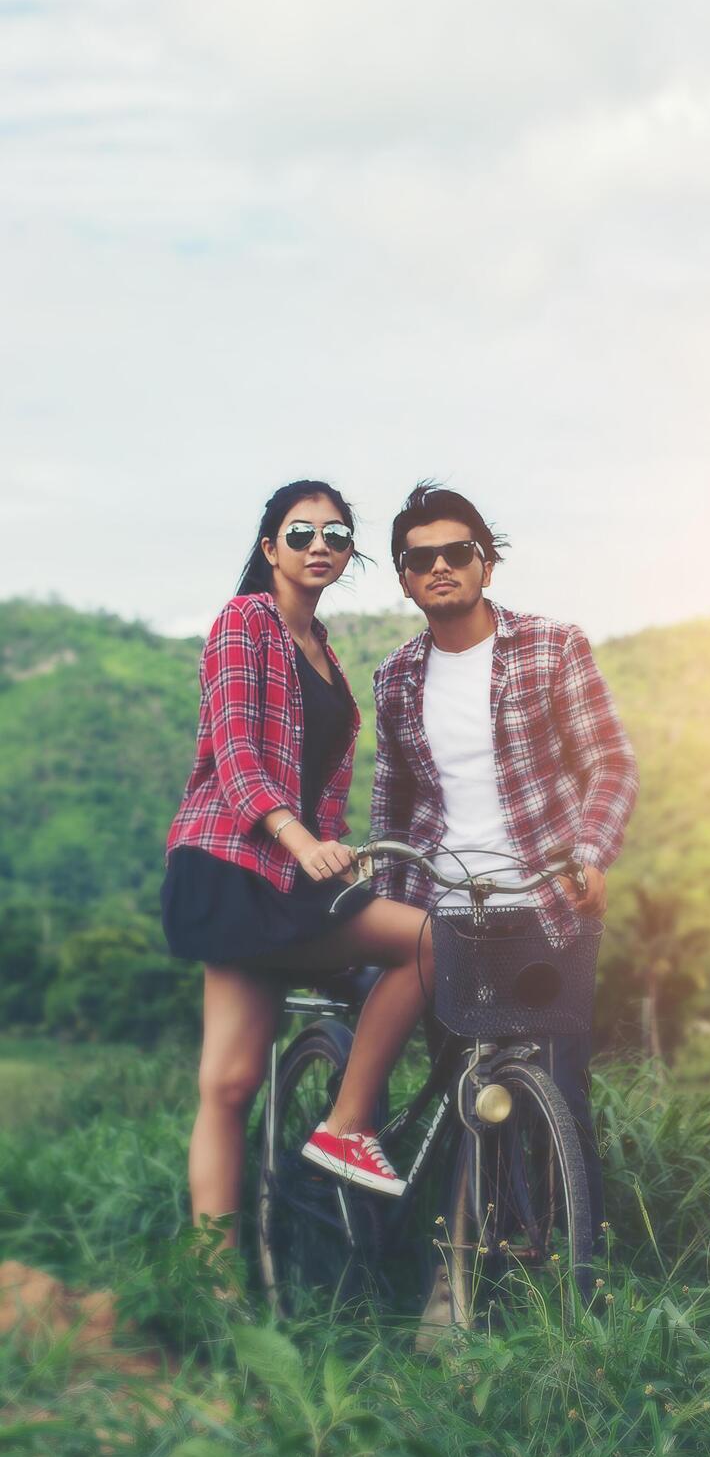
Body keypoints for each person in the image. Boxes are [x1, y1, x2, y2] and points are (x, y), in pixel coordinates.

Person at [307, 480, 638, 1226]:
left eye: (458, 552)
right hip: (442, 915)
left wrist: (591, 851)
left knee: (559, 1094)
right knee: (461, 1098)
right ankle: (450, 1281)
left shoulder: (553, 647)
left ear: (487, 564)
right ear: (403, 579)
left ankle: (567, 1284)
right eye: (420, 559)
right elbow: (394, 805)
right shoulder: (395, 677)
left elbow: (611, 763)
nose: (440, 567)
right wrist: (387, 912)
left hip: (547, 906)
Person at [162, 479, 439, 1253]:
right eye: (301, 532)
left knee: (232, 1080)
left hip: (291, 879)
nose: (320, 545)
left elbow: (325, 796)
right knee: (228, 1084)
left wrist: (334, 854)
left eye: (337, 535)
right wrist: (299, 839)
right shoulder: (243, 622)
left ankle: (343, 1131)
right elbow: (237, 756)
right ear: (269, 547)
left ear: (348, 555)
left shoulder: (325, 657)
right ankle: (215, 1289)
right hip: (232, 865)